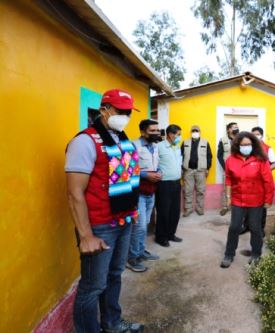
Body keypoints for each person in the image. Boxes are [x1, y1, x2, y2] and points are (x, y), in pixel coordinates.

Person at [65, 89, 144, 332]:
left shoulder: (122, 138)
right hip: (99, 227)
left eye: (129, 112)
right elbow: (74, 193)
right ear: (104, 110)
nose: (126, 116)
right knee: (93, 286)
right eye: (121, 112)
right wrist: (86, 235)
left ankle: (111, 323)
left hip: (124, 221)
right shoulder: (84, 142)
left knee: (114, 276)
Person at [220, 132, 275, 268]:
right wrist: (228, 197)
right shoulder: (230, 160)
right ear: (237, 146)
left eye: (249, 144)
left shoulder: (261, 160)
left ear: (253, 145)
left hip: (256, 201)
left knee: (255, 228)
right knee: (234, 227)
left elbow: (268, 181)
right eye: (243, 145)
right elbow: (228, 180)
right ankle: (229, 254)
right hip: (238, 200)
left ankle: (256, 254)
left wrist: (268, 200)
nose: (246, 147)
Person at [126, 119, 161, 273]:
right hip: (138, 191)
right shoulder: (134, 145)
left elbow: (156, 164)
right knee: (138, 226)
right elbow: (127, 168)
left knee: (145, 223)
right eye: (152, 131)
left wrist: (159, 172)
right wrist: (146, 175)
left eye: (157, 130)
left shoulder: (155, 146)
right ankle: (132, 258)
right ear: (142, 132)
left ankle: (140, 251)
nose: (156, 133)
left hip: (151, 190)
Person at [155, 124, 183, 247]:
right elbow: (153, 163)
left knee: (175, 211)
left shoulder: (177, 146)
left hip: (177, 183)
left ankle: (171, 234)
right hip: (164, 184)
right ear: (170, 134)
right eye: (178, 135)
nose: (179, 137)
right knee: (163, 211)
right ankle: (161, 237)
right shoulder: (159, 147)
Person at [181, 125, 213, 216]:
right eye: (193, 131)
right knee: (187, 191)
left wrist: (207, 168)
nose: (195, 132)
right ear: (191, 132)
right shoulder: (185, 142)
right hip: (188, 170)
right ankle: (188, 209)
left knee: (201, 191)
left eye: (197, 130)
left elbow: (209, 156)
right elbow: (181, 156)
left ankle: (200, 209)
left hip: (201, 170)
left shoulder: (205, 142)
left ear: (199, 132)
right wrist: (181, 169)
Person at [217, 122, 239, 216]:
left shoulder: (240, 138)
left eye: (237, 127)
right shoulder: (223, 140)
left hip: (239, 169)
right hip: (228, 169)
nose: (236, 128)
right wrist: (225, 167)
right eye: (234, 127)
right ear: (228, 129)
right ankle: (226, 207)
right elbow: (219, 155)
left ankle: (238, 206)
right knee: (226, 188)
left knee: (239, 188)